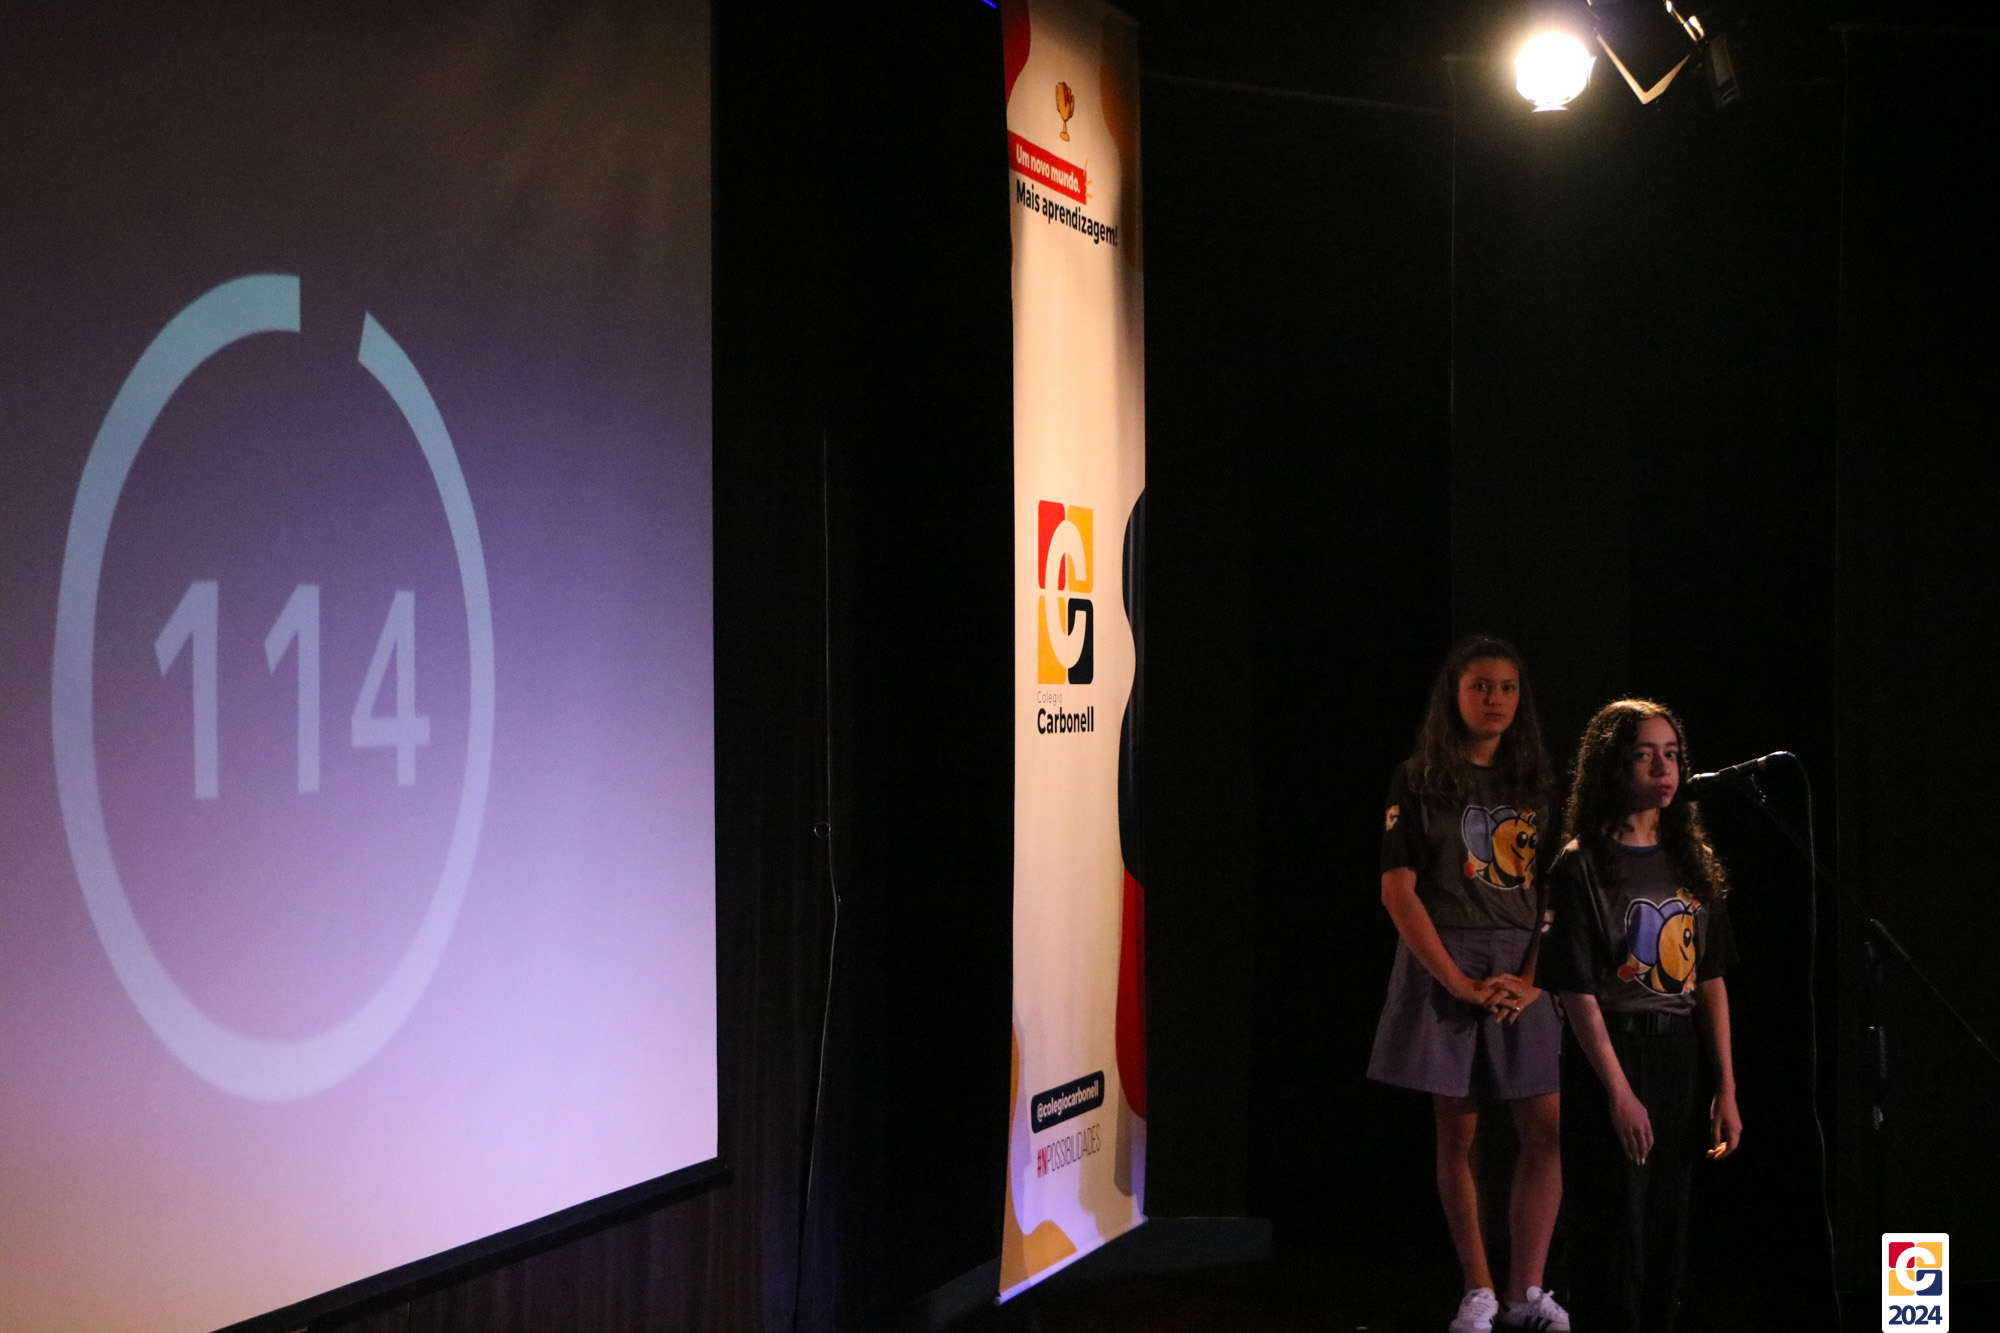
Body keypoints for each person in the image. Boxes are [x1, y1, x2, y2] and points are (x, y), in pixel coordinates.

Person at [1368, 636, 1569, 1333]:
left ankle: (1526, 1291)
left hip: (1521, 964)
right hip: (1445, 955)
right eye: (1481, 686)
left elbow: (1556, 890)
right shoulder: (1419, 778)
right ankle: (1478, 1289)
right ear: (1454, 694)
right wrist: (1453, 980)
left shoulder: (1536, 781)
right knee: (1460, 1128)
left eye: (1508, 687)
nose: (1495, 700)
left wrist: (1533, 979)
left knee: (1544, 1127)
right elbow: (1397, 890)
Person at [1540, 700, 1742, 1333]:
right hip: (1613, 1055)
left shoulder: (1690, 859)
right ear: (1613, 766)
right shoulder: (1581, 864)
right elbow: (1576, 993)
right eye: (1645, 755)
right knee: (1610, 1230)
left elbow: (1710, 979)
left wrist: (1726, 1086)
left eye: (1672, 755)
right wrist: (1619, 1093)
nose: (1664, 768)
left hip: (1676, 1056)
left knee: (1664, 1229)